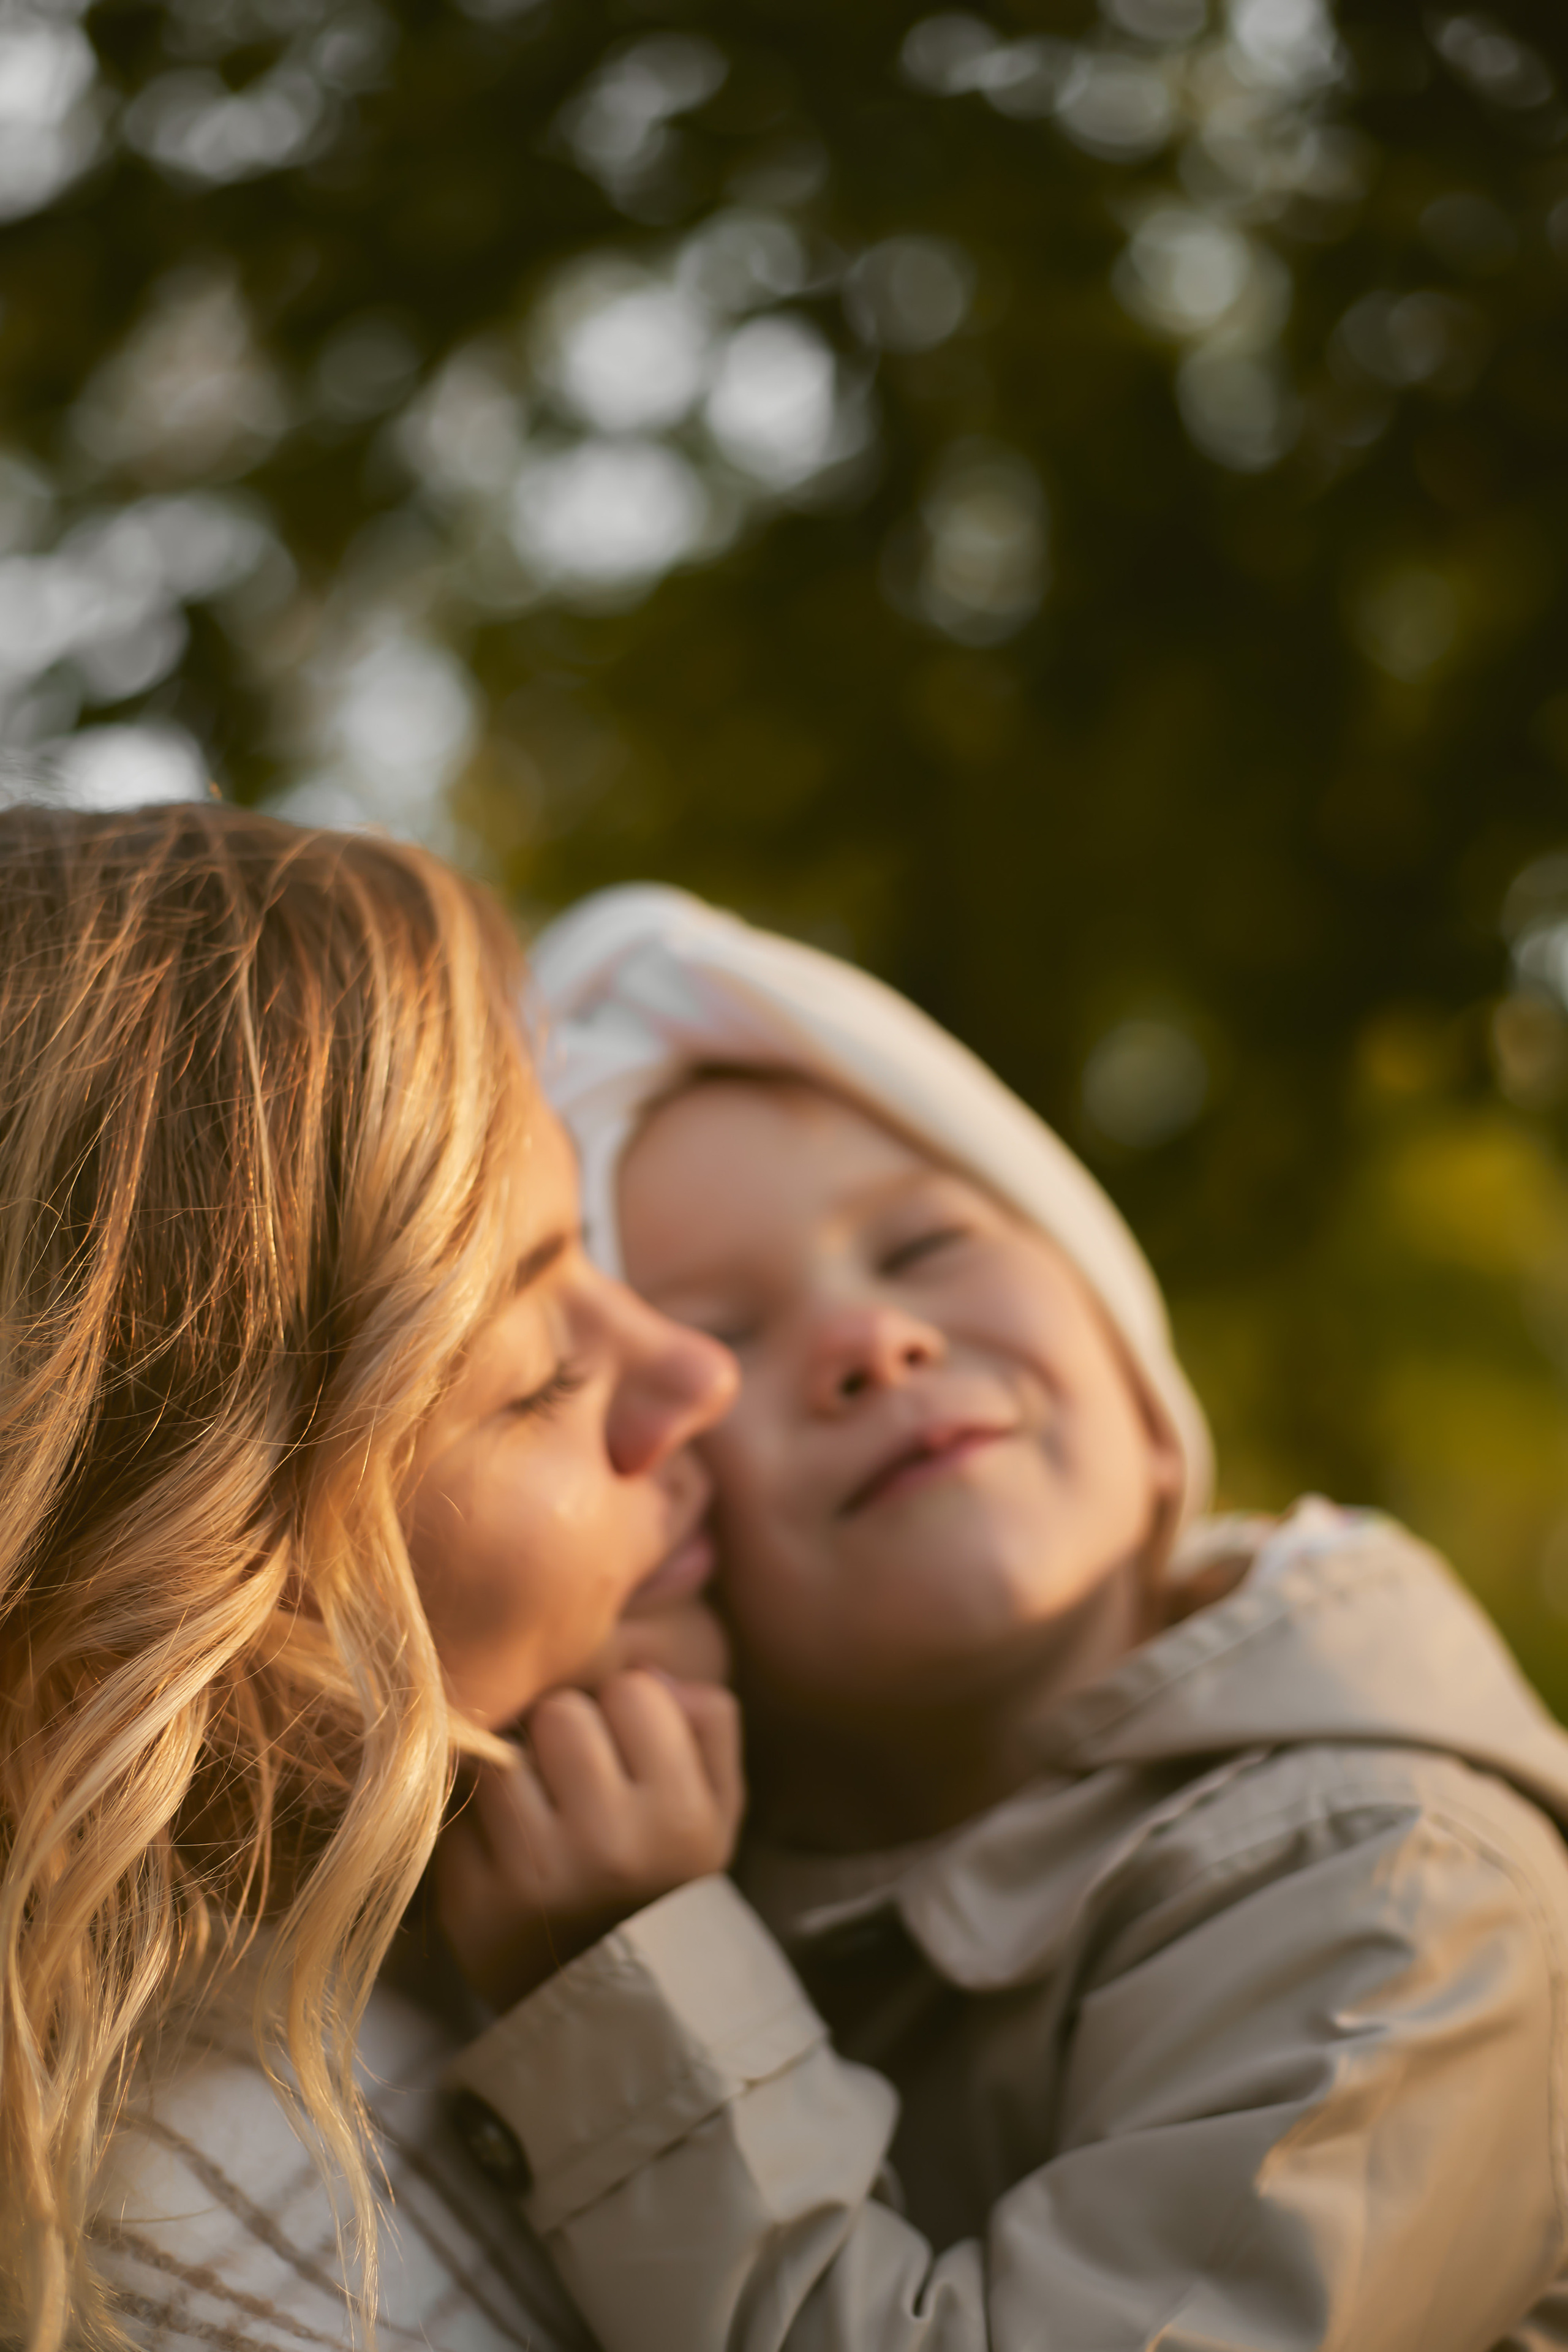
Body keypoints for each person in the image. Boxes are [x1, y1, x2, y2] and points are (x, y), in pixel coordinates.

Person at [439, 881, 1568, 2352]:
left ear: (1144, 1401)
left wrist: (619, 1973)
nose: (871, 1338)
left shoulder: (1389, 1882)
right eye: (717, 1335)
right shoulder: (684, 1868)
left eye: (922, 1249)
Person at [0, 810, 745, 2352]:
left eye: (596, 1255)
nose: (696, 1372)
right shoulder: (192, 2243)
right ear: (182, 1599)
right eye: (541, 1377)